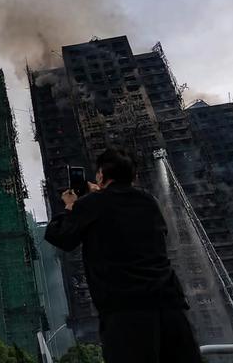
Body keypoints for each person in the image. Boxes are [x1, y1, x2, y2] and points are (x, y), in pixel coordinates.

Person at [45, 148, 202, 363]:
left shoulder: (91, 204)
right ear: (134, 176)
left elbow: (59, 236)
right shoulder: (149, 201)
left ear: (100, 175)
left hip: (126, 312)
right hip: (170, 305)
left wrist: (72, 205)